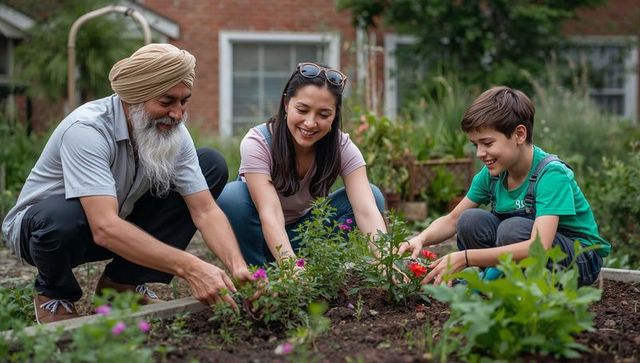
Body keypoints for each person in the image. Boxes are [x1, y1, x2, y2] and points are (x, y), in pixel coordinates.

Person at [1, 43, 252, 324]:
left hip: (115, 223)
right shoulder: (87, 129)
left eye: (184, 101)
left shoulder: (172, 131)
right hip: (48, 234)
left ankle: (122, 284)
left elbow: (204, 210)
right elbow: (104, 227)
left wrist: (238, 267)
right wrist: (190, 267)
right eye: (167, 102)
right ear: (135, 96)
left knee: (210, 165)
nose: (178, 114)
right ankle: (54, 293)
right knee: (61, 216)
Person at [399, 86, 610, 286]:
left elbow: (539, 246)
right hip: (528, 247)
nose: (479, 153)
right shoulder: (492, 175)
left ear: (519, 134)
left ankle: (503, 285)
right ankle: (500, 283)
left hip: (579, 260)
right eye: (476, 145)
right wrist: (420, 238)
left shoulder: (551, 174)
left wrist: (465, 257)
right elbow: (453, 220)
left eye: (487, 143)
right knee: (470, 220)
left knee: (512, 229)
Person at [217, 62, 386, 266]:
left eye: (323, 114)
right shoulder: (258, 142)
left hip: (305, 236)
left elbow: (366, 209)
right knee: (231, 196)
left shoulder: (342, 147)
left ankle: (319, 271)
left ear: (334, 115)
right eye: (303, 109)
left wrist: (386, 262)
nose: (310, 123)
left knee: (373, 195)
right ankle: (258, 277)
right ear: (286, 104)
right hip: (260, 235)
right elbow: (270, 213)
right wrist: (289, 267)